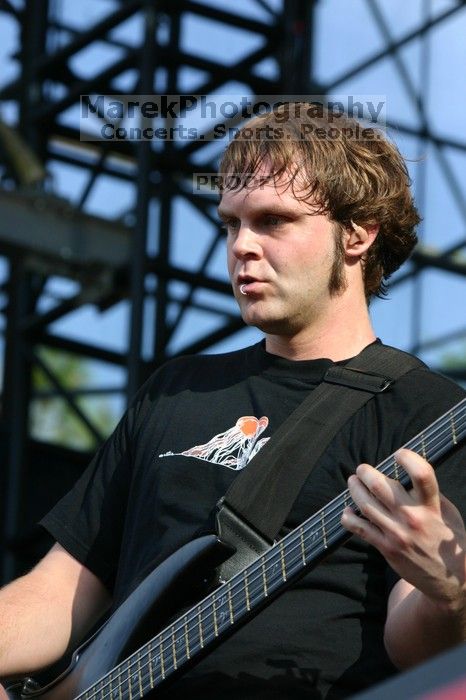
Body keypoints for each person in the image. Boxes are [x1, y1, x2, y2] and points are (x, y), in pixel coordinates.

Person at [0, 103, 465, 700]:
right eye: (231, 223)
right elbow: (61, 591)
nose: (242, 245)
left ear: (357, 233)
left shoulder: (429, 412)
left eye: (273, 221)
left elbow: (420, 649)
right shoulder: (178, 388)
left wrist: (448, 592)